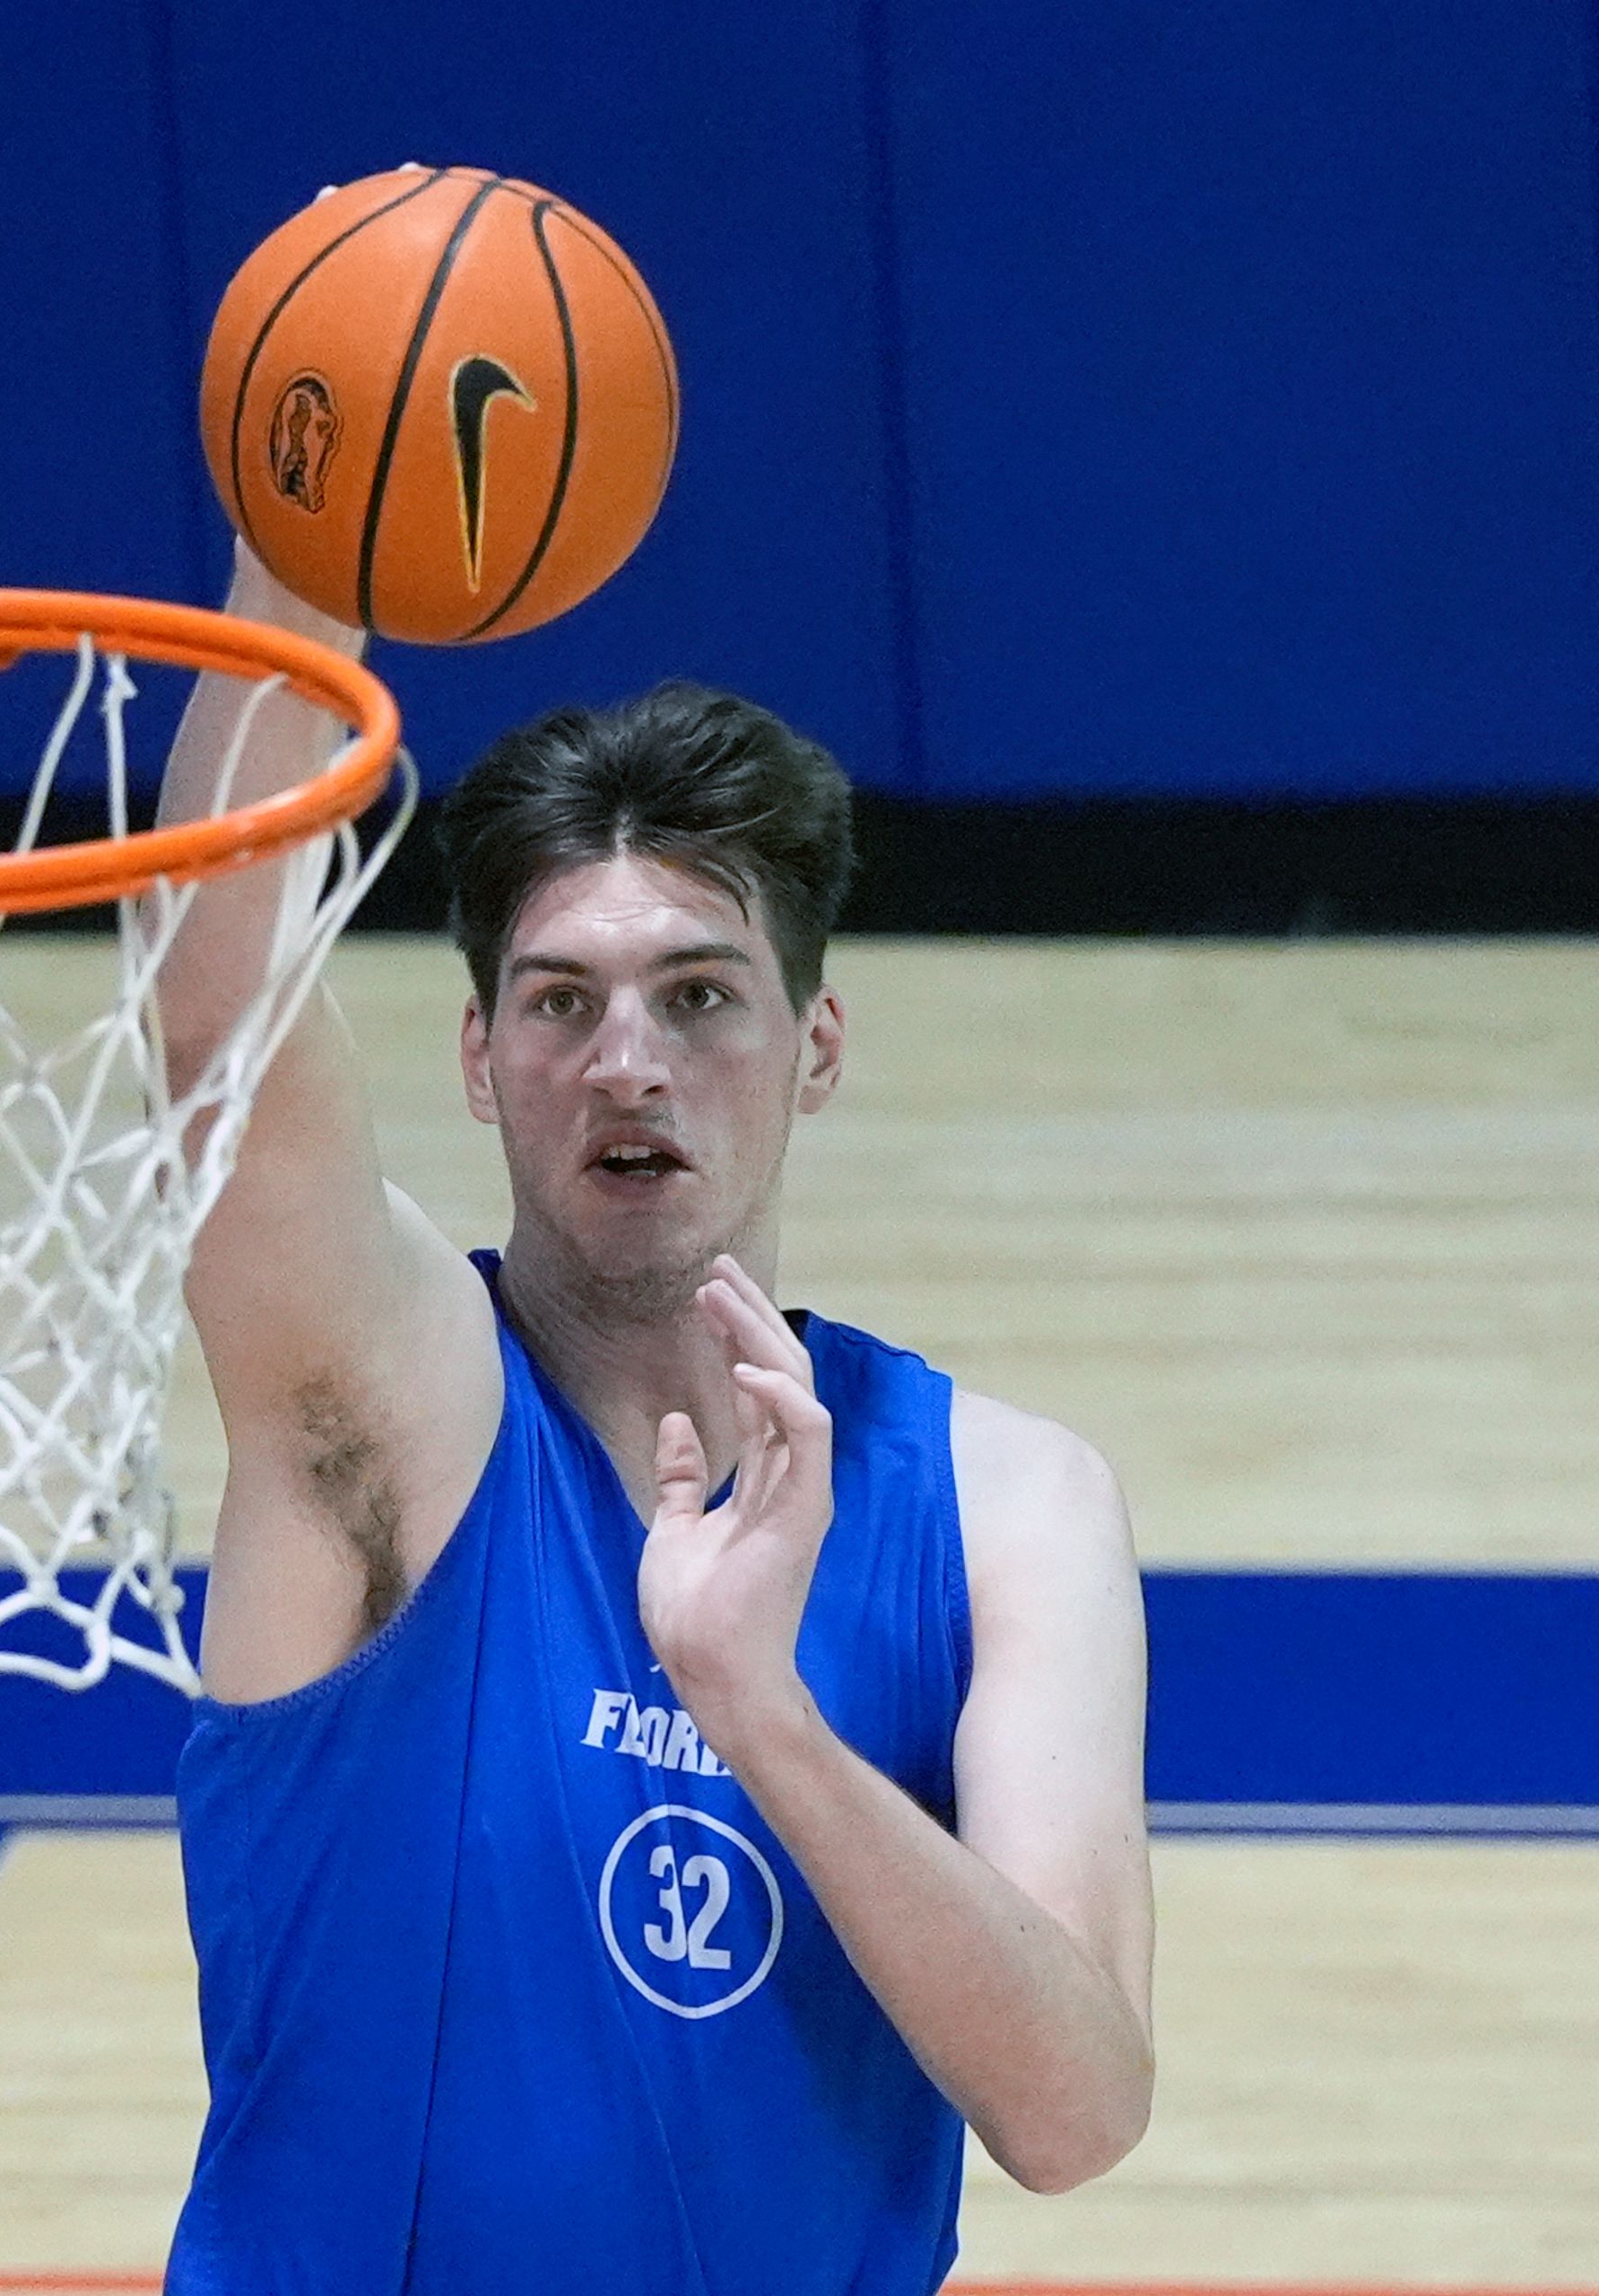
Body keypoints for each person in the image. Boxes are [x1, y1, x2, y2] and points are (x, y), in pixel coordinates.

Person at [158, 547, 1155, 2292]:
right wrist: (303, 551)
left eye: (698, 993)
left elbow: (1074, 2109)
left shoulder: (1013, 1509)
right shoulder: (391, 1409)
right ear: (477, 1060)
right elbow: (211, 1010)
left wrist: (760, 1710)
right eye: (561, 1001)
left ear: (812, 1043)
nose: (629, 1059)